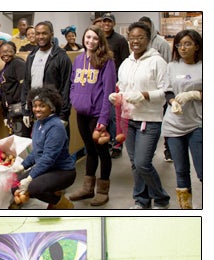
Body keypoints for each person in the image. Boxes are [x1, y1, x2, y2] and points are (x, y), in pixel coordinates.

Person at [111, 21, 171, 209]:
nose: (135, 41)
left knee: (143, 162)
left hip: (149, 119)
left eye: (140, 37)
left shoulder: (157, 61)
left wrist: (144, 95)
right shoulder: (126, 63)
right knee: (135, 165)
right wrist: (117, 95)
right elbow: (123, 86)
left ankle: (161, 197)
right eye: (132, 38)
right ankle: (141, 200)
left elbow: (165, 91)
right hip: (128, 119)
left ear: (148, 39)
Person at [65, 26, 117, 206]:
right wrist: (74, 98)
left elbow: (108, 92)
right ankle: (87, 189)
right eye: (88, 37)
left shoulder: (106, 61)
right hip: (82, 113)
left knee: (102, 151)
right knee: (89, 150)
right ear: (83, 38)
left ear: (100, 40)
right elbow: (73, 82)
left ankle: (103, 191)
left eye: (95, 38)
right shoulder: (78, 59)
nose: (91, 41)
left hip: (97, 115)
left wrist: (103, 119)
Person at [12, 86, 76, 209]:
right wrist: (23, 165)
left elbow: (48, 158)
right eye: (35, 106)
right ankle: (51, 195)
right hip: (47, 168)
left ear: (51, 107)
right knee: (15, 185)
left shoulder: (56, 126)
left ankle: (63, 205)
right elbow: (37, 151)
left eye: (42, 106)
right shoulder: (38, 123)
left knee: (33, 187)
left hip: (63, 171)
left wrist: (30, 178)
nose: (37, 109)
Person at [162, 29, 203, 209]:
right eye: (179, 45)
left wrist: (195, 94)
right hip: (174, 124)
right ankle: (186, 210)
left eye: (188, 44)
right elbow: (168, 90)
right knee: (181, 172)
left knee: (203, 171)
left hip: (198, 123)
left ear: (197, 46)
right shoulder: (172, 66)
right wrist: (172, 101)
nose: (183, 48)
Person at [21, 21, 73, 130]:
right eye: (38, 33)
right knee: (38, 145)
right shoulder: (31, 56)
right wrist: (25, 110)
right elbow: (26, 84)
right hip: (36, 111)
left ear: (52, 34)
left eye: (44, 33)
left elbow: (66, 87)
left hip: (55, 113)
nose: (40, 37)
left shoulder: (61, 56)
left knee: (56, 146)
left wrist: (63, 115)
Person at [138, 16, 173, 162]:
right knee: (145, 124)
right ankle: (148, 151)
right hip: (143, 91)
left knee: (165, 120)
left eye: (147, 26)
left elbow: (169, 65)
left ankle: (168, 149)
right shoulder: (137, 44)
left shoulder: (161, 43)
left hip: (160, 89)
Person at [99, 13, 130, 159]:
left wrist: (121, 82)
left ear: (113, 24)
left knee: (115, 116)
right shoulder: (98, 39)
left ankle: (117, 144)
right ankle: (107, 141)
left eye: (109, 22)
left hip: (116, 83)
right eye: (104, 21)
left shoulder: (120, 40)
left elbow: (126, 62)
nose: (106, 24)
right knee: (104, 114)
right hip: (100, 82)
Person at [0, 41, 29, 138]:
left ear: (14, 51)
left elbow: (25, 87)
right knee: (15, 139)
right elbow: (4, 91)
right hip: (12, 112)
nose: (5, 54)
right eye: (2, 52)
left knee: (21, 140)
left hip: (20, 110)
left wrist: (26, 111)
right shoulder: (6, 66)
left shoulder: (18, 63)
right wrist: (5, 115)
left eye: (8, 51)